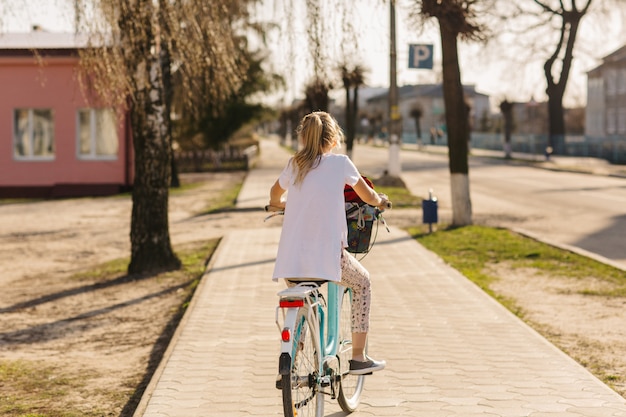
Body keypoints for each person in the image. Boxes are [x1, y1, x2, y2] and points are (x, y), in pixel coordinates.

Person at [268, 111, 389, 375]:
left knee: (301, 305)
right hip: (328, 258)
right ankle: (358, 357)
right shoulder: (340, 163)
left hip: (290, 262)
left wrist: (279, 205)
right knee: (363, 284)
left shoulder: (294, 164)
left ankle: (290, 366)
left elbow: (275, 194)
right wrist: (380, 201)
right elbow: (367, 197)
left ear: (302, 137)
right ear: (333, 139)